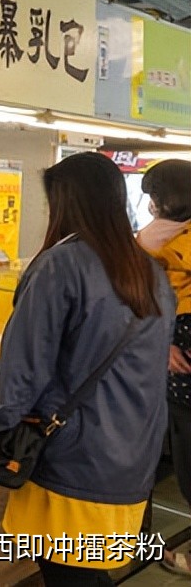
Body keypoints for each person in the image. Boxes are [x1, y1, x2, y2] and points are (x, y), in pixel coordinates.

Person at [0, 152, 176, 587]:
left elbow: (22, 371)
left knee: (71, 578)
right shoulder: (149, 271)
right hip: (131, 454)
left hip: (74, 457)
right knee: (85, 573)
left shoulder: (62, 265)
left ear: (66, 201)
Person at [136, 158, 191, 577]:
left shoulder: (155, 240)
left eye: (154, 196)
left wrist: (162, 341)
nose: (151, 205)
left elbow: (136, 295)